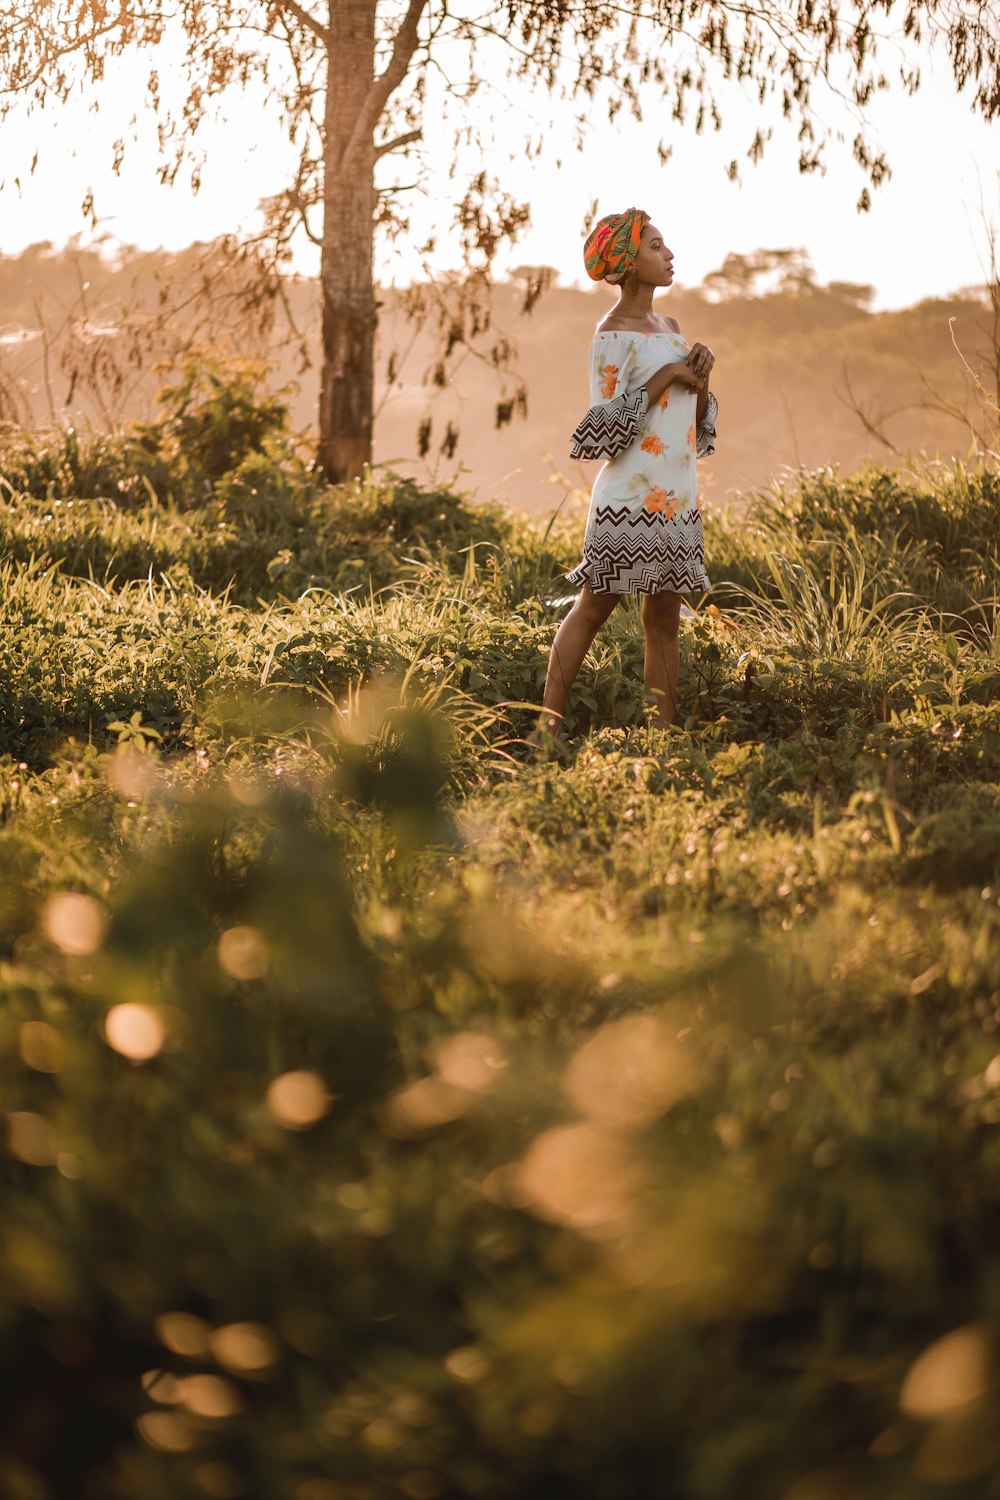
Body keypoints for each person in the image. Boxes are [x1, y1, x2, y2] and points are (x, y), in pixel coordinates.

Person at [529, 207, 716, 747]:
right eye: (657, 247)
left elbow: (693, 423)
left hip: (678, 499)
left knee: (665, 618)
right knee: (594, 606)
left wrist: (700, 373)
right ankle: (547, 727)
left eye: (666, 245)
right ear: (628, 264)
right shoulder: (611, 334)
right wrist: (667, 374)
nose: (670, 254)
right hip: (628, 501)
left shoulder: (673, 330)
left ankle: (661, 744)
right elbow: (603, 431)